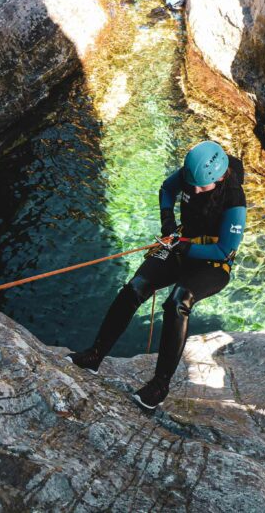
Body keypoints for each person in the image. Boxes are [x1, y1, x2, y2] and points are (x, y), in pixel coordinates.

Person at [67, 141, 247, 409]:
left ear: (220, 177)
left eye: (202, 187)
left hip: (210, 260)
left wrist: (184, 248)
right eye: (192, 184)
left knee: (178, 302)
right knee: (134, 287)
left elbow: (224, 250)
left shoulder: (234, 199)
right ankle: (94, 355)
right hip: (180, 244)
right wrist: (167, 221)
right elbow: (167, 188)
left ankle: (159, 386)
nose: (195, 191)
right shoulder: (192, 172)